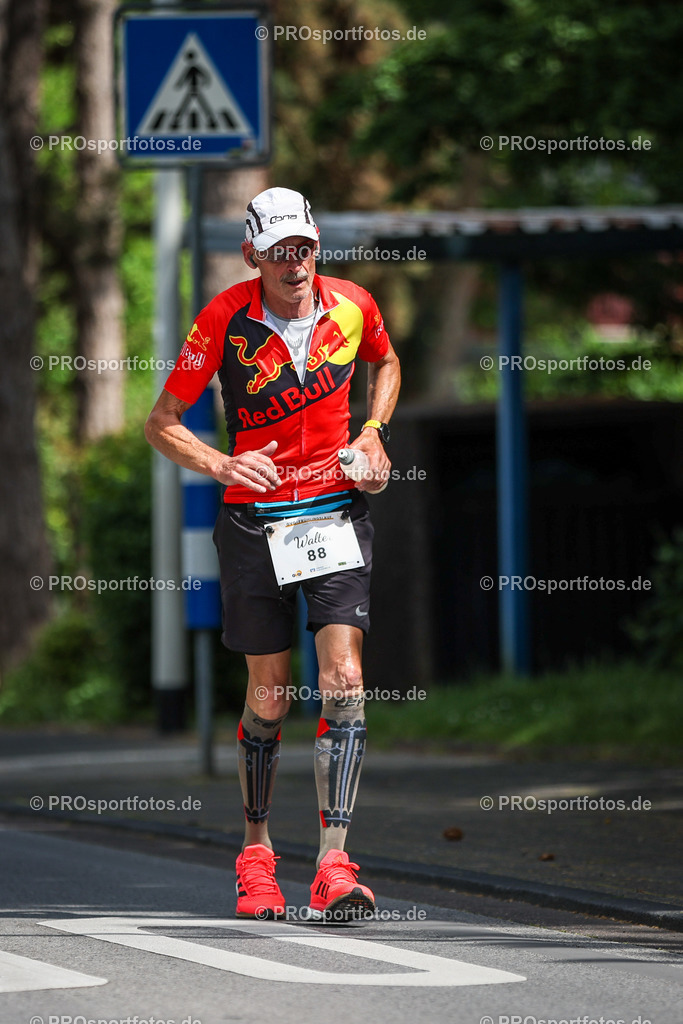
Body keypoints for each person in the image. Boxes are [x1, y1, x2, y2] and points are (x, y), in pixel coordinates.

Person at [145, 187, 401, 921]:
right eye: (279, 250)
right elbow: (161, 423)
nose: (294, 263)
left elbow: (386, 364)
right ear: (251, 253)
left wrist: (375, 433)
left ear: (317, 246)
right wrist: (222, 464)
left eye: (305, 248)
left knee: (345, 678)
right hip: (255, 522)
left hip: (333, 511)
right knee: (271, 695)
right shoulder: (222, 320)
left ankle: (334, 862)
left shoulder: (353, 305)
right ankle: (256, 854)